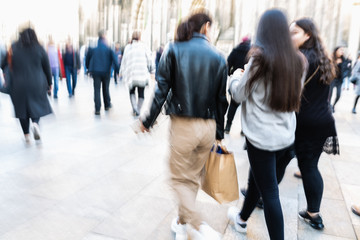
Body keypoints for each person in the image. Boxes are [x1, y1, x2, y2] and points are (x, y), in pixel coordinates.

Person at [138, 11, 228, 240]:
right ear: (206, 27)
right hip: (208, 127)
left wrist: (147, 121)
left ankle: (200, 226)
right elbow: (221, 101)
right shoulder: (218, 56)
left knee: (178, 179)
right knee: (191, 179)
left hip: (183, 127)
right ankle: (180, 223)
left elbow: (161, 90)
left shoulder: (174, 50)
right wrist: (219, 133)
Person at [227, 9, 304, 240]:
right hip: (285, 137)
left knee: (270, 194)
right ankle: (241, 219)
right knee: (258, 181)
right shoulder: (298, 60)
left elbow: (239, 95)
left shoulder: (260, 59)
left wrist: (235, 78)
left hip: (262, 139)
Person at [289, 18, 338, 230]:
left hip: (305, 122)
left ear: (307, 35)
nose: (290, 36)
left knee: (297, 165)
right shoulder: (323, 57)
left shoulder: (301, 58)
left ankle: (314, 214)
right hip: (323, 120)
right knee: (310, 166)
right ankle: (312, 212)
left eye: (295, 33)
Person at [1, 28, 52, 142]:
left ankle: (26, 135)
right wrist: (50, 83)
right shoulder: (39, 48)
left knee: (22, 109)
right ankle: (35, 124)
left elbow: (3, 63)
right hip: (37, 83)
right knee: (36, 105)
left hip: (18, 84)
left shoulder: (13, 48)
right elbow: (47, 67)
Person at [120, 31, 153, 117]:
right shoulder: (144, 46)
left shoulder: (128, 47)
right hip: (142, 74)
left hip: (131, 74)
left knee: (132, 91)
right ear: (140, 37)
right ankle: (138, 109)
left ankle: (134, 108)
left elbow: (124, 61)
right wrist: (152, 69)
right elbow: (150, 59)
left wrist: (121, 72)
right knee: (141, 92)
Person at [86, 30, 119, 115]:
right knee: (106, 88)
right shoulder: (108, 48)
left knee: (97, 90)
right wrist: (117, 70)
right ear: (104, 36)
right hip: (106, 71)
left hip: (96, 71)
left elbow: (88, 58)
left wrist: (87, 67)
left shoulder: (94, 47)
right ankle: (107, 105)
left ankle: (97, 109)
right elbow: (115, 60)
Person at [224, 36, 251, 134]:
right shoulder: (252, 52)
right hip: (248, 81)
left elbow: (228, 63)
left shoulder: (235, 51)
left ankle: (228, 126)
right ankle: (244, 130)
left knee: (233, 105)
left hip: (236, 79)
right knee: (247, 107)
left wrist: (230, 74)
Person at [329, 46, 346, 112]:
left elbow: (345, 69)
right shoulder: (332, 58)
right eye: (340, 50)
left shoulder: (343, 59)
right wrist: (336, 63)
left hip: (339, 80)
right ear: (336, 50)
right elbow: (329, 67)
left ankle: (333, 105)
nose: (342, 51)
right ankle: (329, 106)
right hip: (332, 79)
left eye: (343, 50)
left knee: (338, 95)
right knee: (330, 94)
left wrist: (341, 64)